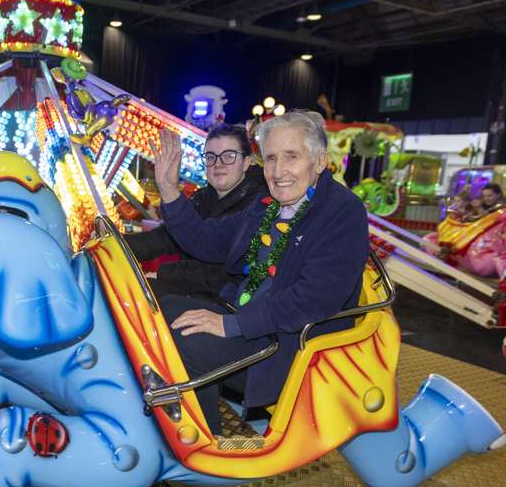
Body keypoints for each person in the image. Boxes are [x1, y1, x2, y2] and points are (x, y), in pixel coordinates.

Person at [153, 110, 369, 435]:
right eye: (270, 159)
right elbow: (208, 241)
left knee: (183, 345)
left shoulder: (341, 211)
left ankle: (202, 446)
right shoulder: (267, 204)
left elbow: (313, 300)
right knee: (158, 311)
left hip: (288, 342)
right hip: (248, 316)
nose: (278, 171)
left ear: (320, 161)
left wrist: (231, 325)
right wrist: (169, 191)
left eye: (291, 157)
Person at [125, 123, 268, 299]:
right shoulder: (204, 197)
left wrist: (163, 273)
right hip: (195, 290)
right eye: (210, 157)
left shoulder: (260, 202)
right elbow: (166, 237)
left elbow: (213, 255)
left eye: (229, 156)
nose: (218, 164)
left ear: (246, 162)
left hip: (229, 301)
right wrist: (116, 245)